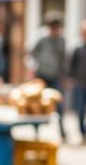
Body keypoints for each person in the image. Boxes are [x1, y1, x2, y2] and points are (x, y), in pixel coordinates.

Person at [29, 13, 68, 142]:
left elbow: (63, 59)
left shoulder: (61, 40)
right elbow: (30, 54)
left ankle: (62, 131)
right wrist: (32, 68)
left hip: (55, 76)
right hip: (41, 75)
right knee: (37, 104)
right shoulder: (40, 38)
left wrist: (64, 76)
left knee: (59, 104)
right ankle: (36, 131)